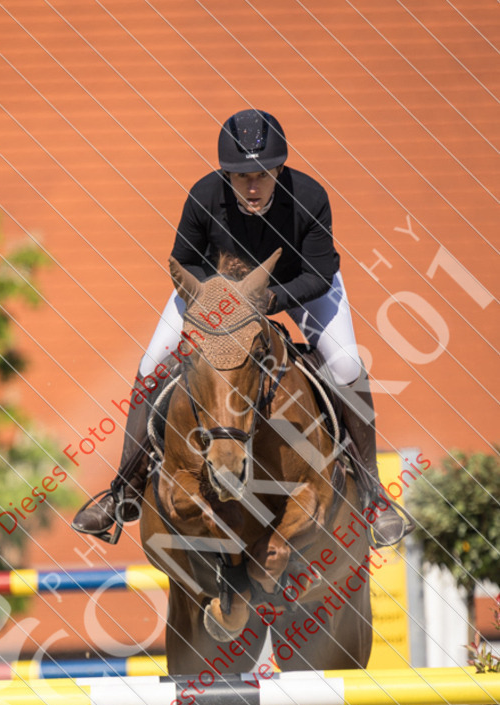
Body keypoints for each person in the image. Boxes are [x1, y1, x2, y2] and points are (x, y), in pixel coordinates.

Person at [72, 108, 409, 547]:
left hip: (295, 285)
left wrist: (270, 300)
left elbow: (320, 273)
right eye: (240, 176)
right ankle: (124, 491)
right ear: (225, 174)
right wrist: (217, 297)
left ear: (279, 169)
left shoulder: (309, 197)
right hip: (220, 293)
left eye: (263, 175)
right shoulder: (205, 195)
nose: (252, 186)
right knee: (152, 361)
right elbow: (186, 261)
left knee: (345, 365)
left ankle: (371, 494)